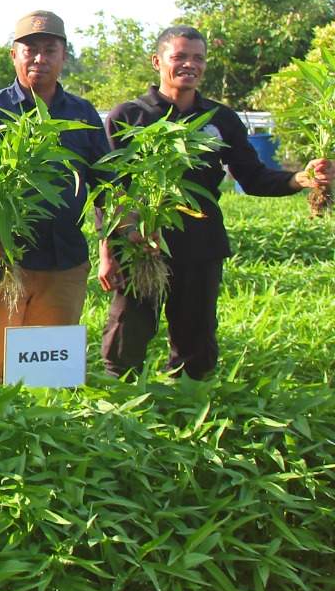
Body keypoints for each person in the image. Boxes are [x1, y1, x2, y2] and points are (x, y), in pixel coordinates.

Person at [100, 25, 333, 379]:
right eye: (179, 57)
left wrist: (300, 179)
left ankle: (190, 407)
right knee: (126, 336)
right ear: (157, 61)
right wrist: (110, 248)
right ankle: (121, 408)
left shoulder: (219, 119)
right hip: (141, 246)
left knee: (196, 341)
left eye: (198, 58)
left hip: (200, 244)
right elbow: (110, 189)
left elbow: (252, 176)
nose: (190, 65)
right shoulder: (129, 116)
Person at [0, 11, 111, 384]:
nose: (39, 58)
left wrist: (112, 244)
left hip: (63, 263)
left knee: (48, 372)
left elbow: (105, 185)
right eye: (30, 49)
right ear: (14, 55)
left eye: (49, 49)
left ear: (63, 56)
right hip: (0, 261)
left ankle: (39, 438)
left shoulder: (81, 113)